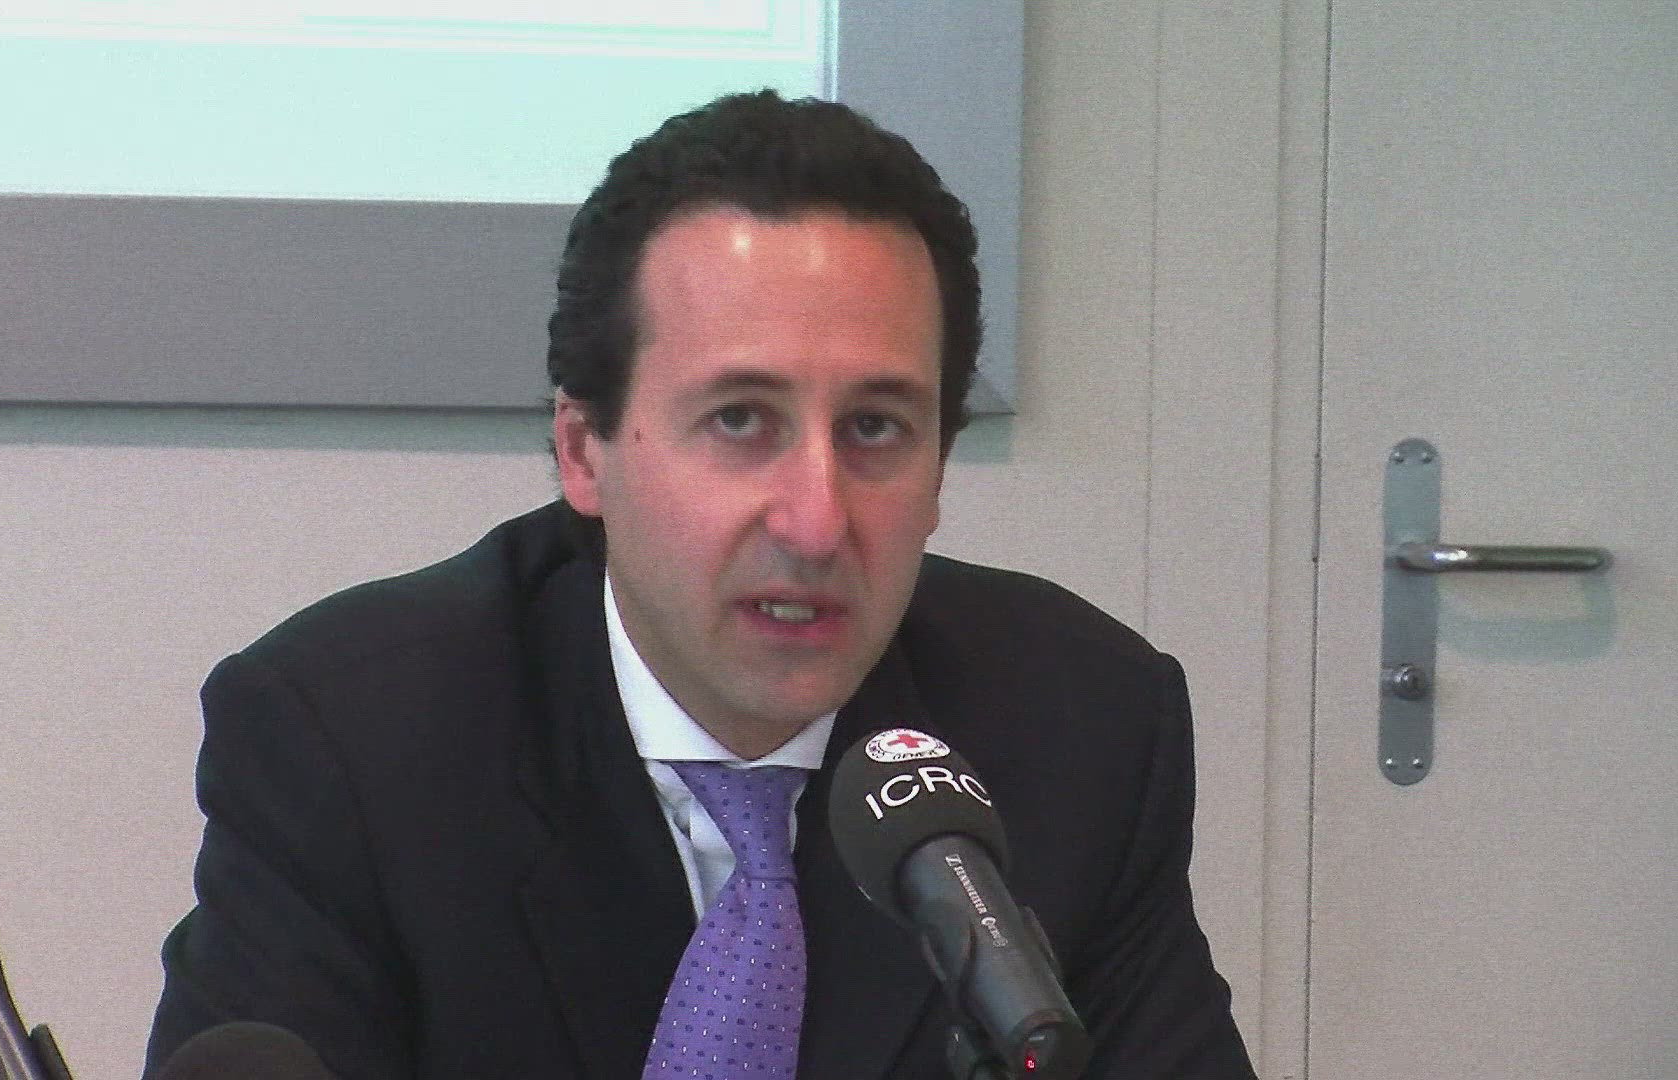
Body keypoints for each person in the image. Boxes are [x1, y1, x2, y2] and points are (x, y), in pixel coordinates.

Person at [145, 90, 1254, 1079]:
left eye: (875, 428)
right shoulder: (353, 743)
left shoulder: (1081, 729)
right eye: (740, 421)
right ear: (583, 450)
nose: (817, 522)